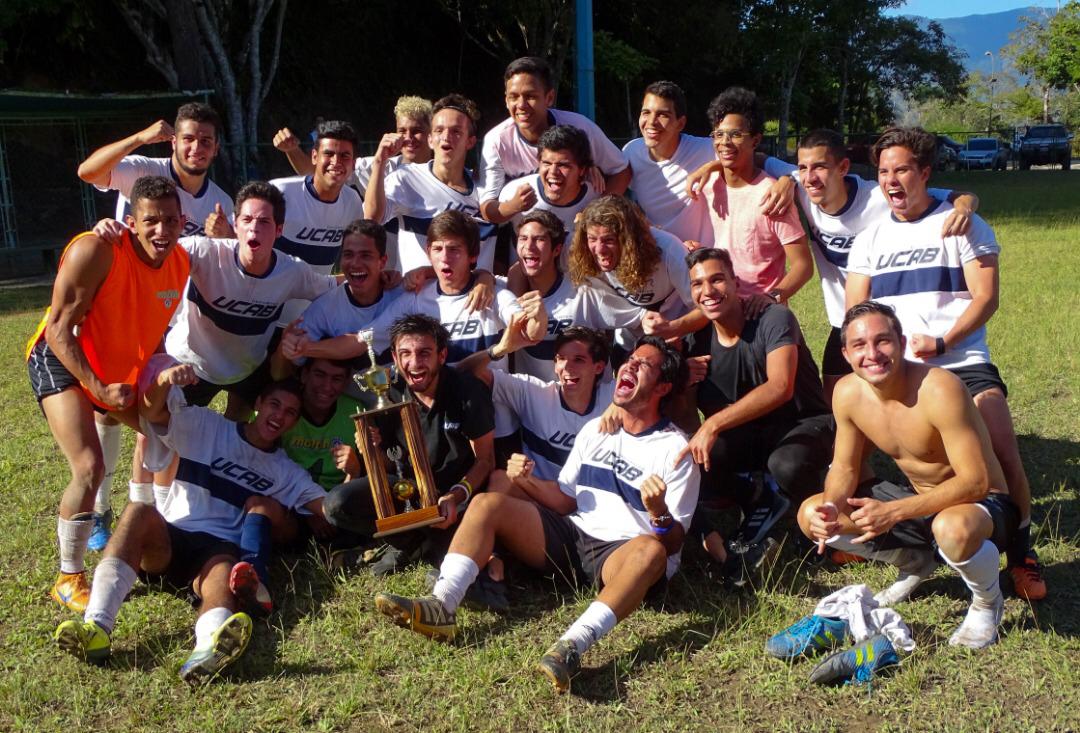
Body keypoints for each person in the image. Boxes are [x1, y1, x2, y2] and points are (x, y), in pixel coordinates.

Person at [373, 336, 698, 696]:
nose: (630, 366)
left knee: (649, 550)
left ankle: (572, 646)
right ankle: (442, 605)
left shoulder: (675, 450)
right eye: (631, 360)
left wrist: (660, 513)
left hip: (622, 556)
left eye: (644, 365)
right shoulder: (596, 430)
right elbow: (563, 501)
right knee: (487, 503)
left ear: (663, 387)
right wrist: (525, 481)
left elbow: (672, 544)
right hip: (574, 535)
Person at [844, 126, 1045, 601]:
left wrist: (943, 340)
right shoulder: (870, 239)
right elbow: (857, 310)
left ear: (925, 173)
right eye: (884, 171)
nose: (892, 179)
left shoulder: (962, 223)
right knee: (917, 460)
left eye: (903, 169)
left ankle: (1022, 554)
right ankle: (926, 546)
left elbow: (986, 298)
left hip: (962, 360)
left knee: (1001, 449)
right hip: (899, 370)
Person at [53, 363, 327, 683]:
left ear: (295, 422)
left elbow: (326, 508)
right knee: (138, 512)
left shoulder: (287, 472)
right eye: (274, 404)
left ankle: (208, 650)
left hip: (215, 553)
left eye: (291, 412)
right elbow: (153, 415)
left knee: (226, 569)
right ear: (258, 405)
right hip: (170, 540)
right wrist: (163, 381)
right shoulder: (207, 426)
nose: (280, 415)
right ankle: (96, 627)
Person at [796, 301, 1017, 649]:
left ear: (900, 341)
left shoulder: (939, 388)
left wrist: (895, 512)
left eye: (883, 341)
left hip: (982, 506)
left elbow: (975, 481)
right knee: (811, 515)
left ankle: (987, 602)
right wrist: (830, 505)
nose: (873, 354)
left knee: (951, 527)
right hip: (921, 506)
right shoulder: (848, 393)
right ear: (845, 353)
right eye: (859, 345)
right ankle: (916, 561)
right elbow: (845, 466)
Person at [26, 176, 191, 613]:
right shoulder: (96, 250)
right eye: (150, 221)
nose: (161, 231)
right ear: (131, 221)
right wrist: (98, 389)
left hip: (115, 377)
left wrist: (161, 373)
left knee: (175, 437)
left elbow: (151, 332)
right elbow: (60, 330)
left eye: (170, 221)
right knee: (88, 465)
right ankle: (68, 576)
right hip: (61, 360)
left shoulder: (180, 264)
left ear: (182, 222)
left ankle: (159, 530)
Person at [748, 129, 980, 399]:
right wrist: (787, 178)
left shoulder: (880, 198)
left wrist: (964, 210)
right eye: (803, 168)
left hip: (887, 318)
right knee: (835, 396)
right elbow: (755, 157)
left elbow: (959, 195)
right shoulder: (803, 185)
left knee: (895, 393)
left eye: (820, 167)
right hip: (844, 318)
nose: (810, 177)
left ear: (843, 167)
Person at [679, 248, 834, 583]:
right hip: (749, 434)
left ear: (736, 283)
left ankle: (810, 528)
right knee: (693, 458)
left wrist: (714, 423)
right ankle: (758, 498)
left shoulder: (773, 318)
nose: (708, 291)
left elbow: (781, 387)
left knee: (787, 464)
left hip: (804, 423)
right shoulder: (696, 340)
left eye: (717, 279)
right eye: (698, 284)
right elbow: (686, 410)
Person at [321, 315, 496, 575]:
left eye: (424, 353)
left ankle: (426, 546)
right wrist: (373, 451)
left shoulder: (467, 391)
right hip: (410, 492)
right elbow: (391, 464)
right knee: (336, 504)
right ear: (394, 356)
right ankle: (409, 542)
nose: (414, 363)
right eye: (405, 353)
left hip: (457, 499)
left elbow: (486, 461)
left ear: (442, 354)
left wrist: (456, 495)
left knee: (451, 562)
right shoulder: (387, 392)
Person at [477, 56, 630, 224]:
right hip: (527, 242)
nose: (521, 104)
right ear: (506, 100)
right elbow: (487, 207)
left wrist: (596, 211)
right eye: (513, 96)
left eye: (530, 96)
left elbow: (622, 171)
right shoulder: (497, 140)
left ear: (549, 97)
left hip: (578, 235)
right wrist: (513, 206)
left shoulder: (581, 127)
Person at [364, 94, 497, 284]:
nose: (446, 137)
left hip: (474, 305)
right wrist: (379, 162)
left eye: (456, 131)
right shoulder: (406, 179)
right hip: (418, 301)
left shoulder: (485, 188)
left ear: (470, 141)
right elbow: (371, 219)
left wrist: (485, 278)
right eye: (439, 130)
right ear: (430, 139)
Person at [700, 87, 812, 303]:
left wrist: (769, 299)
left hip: (762, 318)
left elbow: (803, 266)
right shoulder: (707, 186)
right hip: (718, 310)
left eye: (735, 135)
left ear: (755, 140)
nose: (724, 142)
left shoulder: (772, 196)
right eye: (719, 134)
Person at [503, 211, 642, 380]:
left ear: (557, 250)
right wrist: (484, 278)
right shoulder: (507, 295)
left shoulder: (584, 292)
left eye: (539, 239)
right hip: (534, 403)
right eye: (523, 238)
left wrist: (633, 361)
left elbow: (642, 320)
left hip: (593, 403)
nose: (529, 246)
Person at [567, 195, 698, 360]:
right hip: (627, 345)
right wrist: (640, 316)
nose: (599, 250)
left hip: (678, 343)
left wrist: (673, 328)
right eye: (592, 239)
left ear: (629, 239)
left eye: (609, 240)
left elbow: (703, 309)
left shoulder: (670, 250)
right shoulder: (583, 252)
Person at [77, 102, 232, 237]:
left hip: (182, 271)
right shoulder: (143, 170)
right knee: (91, 244)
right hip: (134, 269)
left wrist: (227, 235)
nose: (196, 148)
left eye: (205, 141)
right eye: (188, 139)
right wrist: (138, 139)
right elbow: (87, 173)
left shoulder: (222, 203)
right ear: (174, 143)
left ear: (216, 149)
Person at [270, 120, 365, 324]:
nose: (336, 161)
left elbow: (352, 258)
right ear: (314, 156)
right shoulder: (281, 192)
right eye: (328, 154)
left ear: (354, 163)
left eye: (344, 156)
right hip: (265, 317)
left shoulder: (353, 201)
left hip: (310, 320)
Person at [276, 219, 403, 368]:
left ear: (382, 262)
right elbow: (286, 365)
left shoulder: (402, 295)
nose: (355, 263)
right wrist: (289, 346)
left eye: (366, 255)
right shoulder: (323, 308)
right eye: (348, 254)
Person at [273, 95, 434, 199]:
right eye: (402, 131)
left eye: (417, 131)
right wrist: (292, 150)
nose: (409, 138)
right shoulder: (375, 167)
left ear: (431, 133)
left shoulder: (448, 174)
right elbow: (316, 174)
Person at [623, 81, 716, 247]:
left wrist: (780, 179)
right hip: (658, 255)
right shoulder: (631, 152)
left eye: (662, 115)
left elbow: (753, 157)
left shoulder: (706, 149)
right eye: (646, 112)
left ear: (680, 123)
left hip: (701, 259)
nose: (651, 122)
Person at [496, 124, 599, 247]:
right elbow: (495, 241)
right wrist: (512, 207)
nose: (553, 172)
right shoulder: (516, 192)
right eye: (547, 163)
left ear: (582, 169)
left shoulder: (596, 199)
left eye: (563, 165)